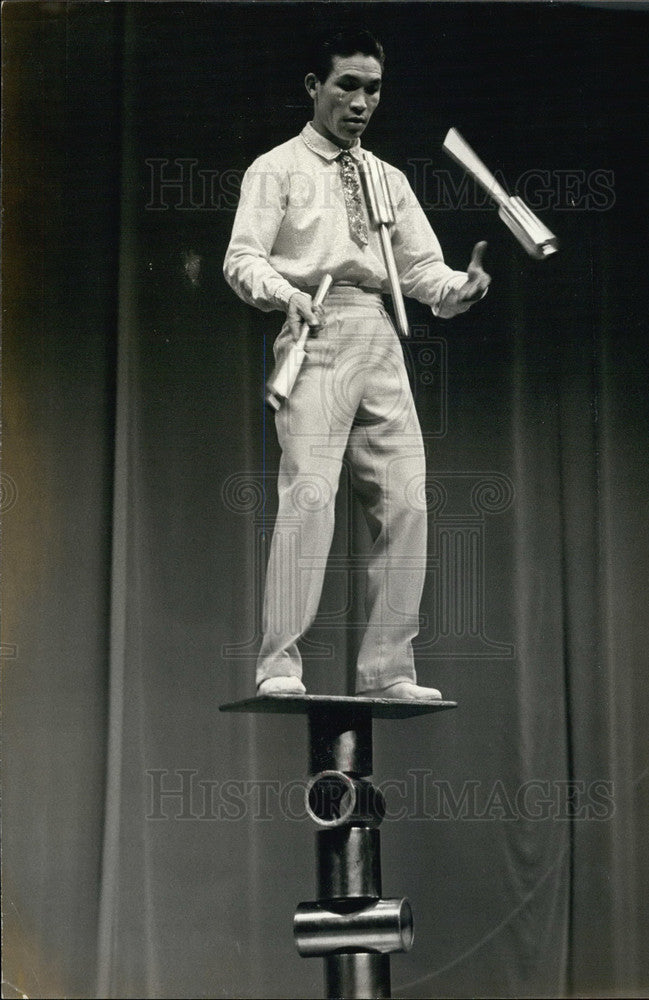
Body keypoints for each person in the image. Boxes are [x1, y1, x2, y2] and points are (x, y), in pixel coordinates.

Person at [224, 29, 490, 700]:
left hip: (377, 332)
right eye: (346, 84)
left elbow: (421, 270)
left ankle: (388, 670)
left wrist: (458, 288)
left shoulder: (386, 178)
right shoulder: (276, 167)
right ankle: (279, 662)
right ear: (314, 86)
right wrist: (286, 295)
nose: (361, 101)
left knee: (406, 502)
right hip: (314, 323)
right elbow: (241, 259)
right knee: (309, 498)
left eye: (372, 88)